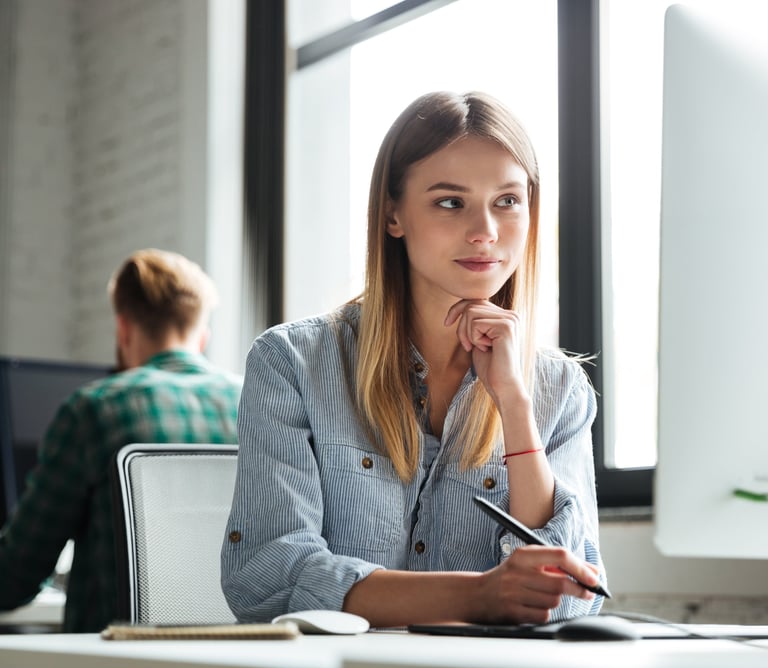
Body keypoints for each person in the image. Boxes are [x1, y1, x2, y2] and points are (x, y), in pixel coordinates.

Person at [222, 91, 605, 627]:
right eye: (450, 202)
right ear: (393, 215)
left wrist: (516, 408)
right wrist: (476, 596)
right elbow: (268, 576)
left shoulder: (558, 388)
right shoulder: (293, 363)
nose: (485, 232)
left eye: (507, 201)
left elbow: (570, 593)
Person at [0, 249, 241, 632]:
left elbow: (16, 574)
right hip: (243, 655)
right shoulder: (256, 404)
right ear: (203, 336)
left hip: (115, 659)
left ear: (124, 329)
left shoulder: (95, 409)